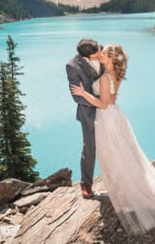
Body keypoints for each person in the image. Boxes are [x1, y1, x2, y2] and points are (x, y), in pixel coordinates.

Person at [71, 44, 155, 234]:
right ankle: (128, 189)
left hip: (107, 119)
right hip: (116, 117)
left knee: (113, 156)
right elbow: (113, 99)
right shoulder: (113, 74)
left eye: (104, 52)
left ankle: (126, 194)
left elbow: (102, 103)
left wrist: (84, 93)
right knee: (125, 154)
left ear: (109, 58)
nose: (100, 53)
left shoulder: (105, 77)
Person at [66, 38, 102, 199]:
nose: (100, 54)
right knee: (90, 148)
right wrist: (100, 101)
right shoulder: (72, 66)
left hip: (109, 110)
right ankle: (86, 184)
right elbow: (77, 97)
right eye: (96, 54)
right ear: (86, 57)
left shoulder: (100, 51)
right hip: (89, 113)